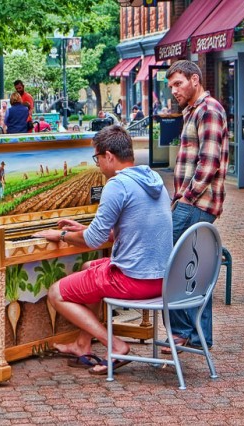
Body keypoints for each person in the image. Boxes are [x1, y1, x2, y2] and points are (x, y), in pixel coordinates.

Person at [33, 125, 173, 374]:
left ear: (109, 156)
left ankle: (115, 345)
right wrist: (84, 228)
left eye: (96, 158)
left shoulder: (117, 185)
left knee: (56, 293)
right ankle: (81, 345)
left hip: (134, 279)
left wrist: (63, 235)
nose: (96, 164)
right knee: (89, 267)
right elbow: (121, 229)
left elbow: (94, 241)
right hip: (161, 278)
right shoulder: (153, 180)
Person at [164, 59, 229, 353]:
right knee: (193, 266)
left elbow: (209, 162)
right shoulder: (193, 112)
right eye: (171, 86)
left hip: (196, 202)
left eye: (178, 83)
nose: (174, 91)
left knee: (170, 260)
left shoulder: (208, 110)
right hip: (193, 201)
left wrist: (186, 197)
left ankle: (181, 331)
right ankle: (199, 336)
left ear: (194, 79)